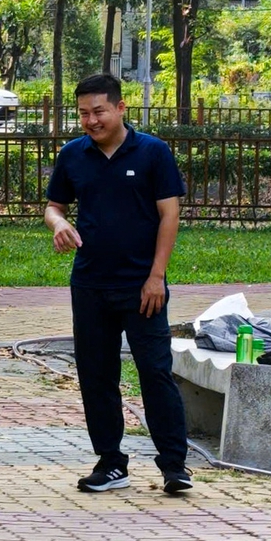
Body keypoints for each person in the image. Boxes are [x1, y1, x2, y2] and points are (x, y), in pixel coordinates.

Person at [44, 73, 192, 496]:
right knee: (96, 375)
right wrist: (59, 223)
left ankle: (174, 466)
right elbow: (53, 207)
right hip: (90, 284)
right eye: (83, 114)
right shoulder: (73, 155)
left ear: (121, 108)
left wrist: (156, 277)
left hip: (142, 287)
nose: (91, 121)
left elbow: (169, 216)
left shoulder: (152, 153)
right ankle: (111, 463)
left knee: (155, 373)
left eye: (99, 112)